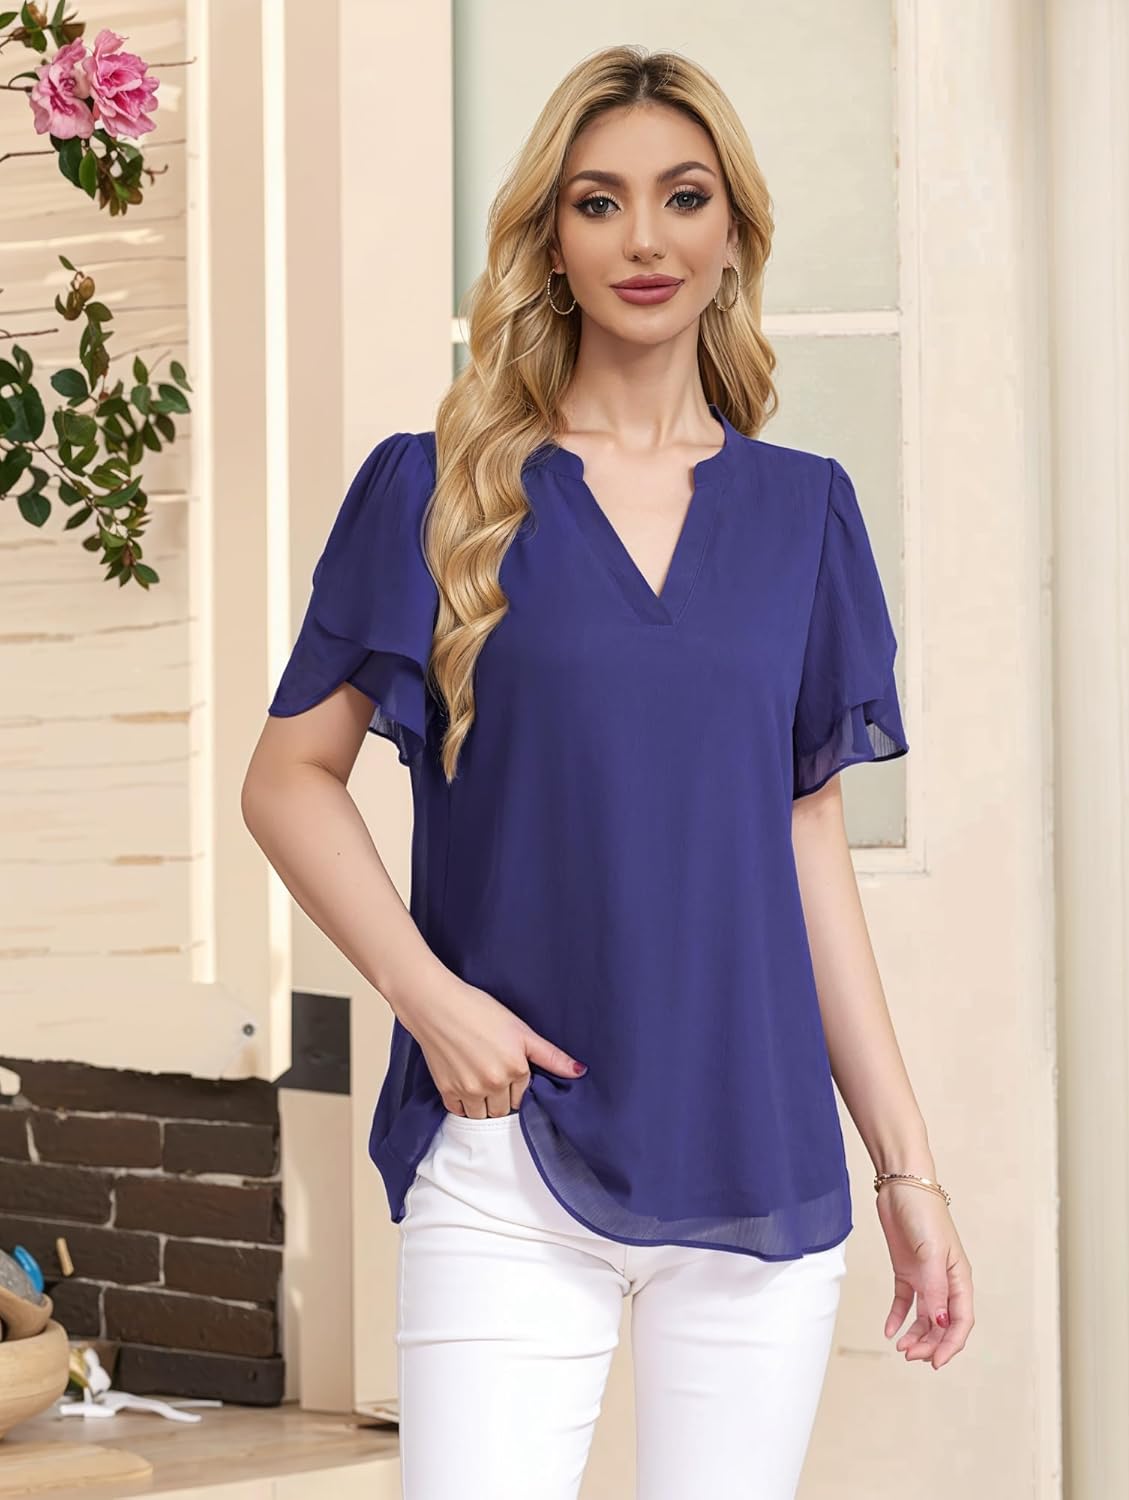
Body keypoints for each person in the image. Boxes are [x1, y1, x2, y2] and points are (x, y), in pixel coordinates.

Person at [242, 43, 975, 1500]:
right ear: (552, 240)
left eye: (683, 197)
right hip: (505, 1148)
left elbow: (808, 850)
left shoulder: (805, 514)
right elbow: (287, 778)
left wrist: (907, 1165)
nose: (645, 238)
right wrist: (430, 1000)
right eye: (600, 201)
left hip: (756, 1146)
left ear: (733, 233)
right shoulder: (436, 489)